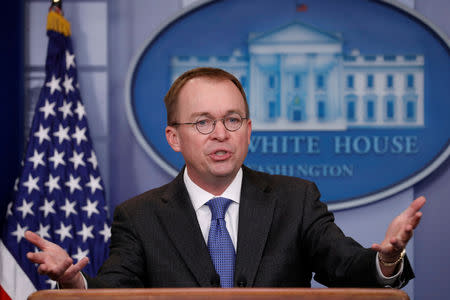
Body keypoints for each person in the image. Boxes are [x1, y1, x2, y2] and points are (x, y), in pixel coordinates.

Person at [25, 67, 425, 289]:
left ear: (248, 130)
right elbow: (115, 291)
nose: (220, 133)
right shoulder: (139, 217)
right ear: (174, 137)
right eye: (203, 122)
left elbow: (347, 267)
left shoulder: (295, 200)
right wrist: (74, 284)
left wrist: (386, 260)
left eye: (232, 119)